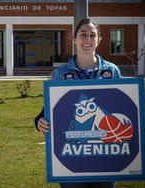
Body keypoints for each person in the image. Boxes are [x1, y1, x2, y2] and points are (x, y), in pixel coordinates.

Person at [34, 18, 122, 188]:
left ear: (99, 40)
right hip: (71, 157)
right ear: (74, 40)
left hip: (105, 155)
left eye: (92, 35)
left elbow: (121, 107)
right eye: (83, 35)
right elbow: (50, 110)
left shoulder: (112, 71)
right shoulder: (61, 74)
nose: (87, 40)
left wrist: (138, 122)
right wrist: (40, 121)